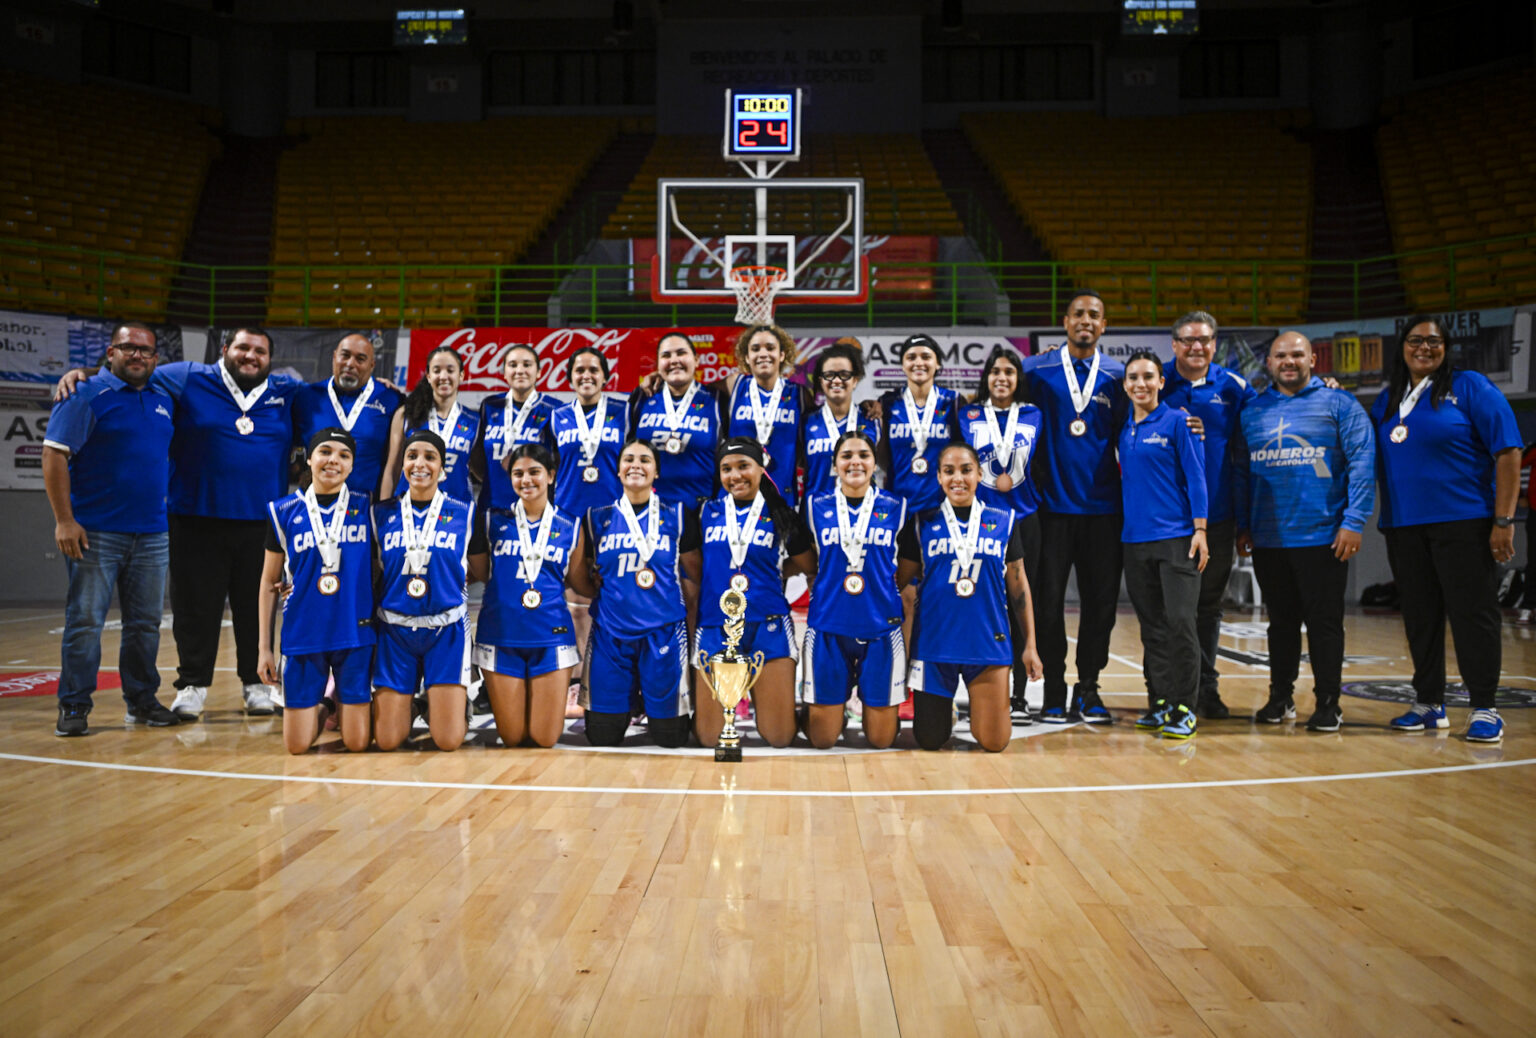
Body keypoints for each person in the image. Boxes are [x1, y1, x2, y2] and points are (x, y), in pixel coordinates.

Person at [1372, 317, 1521, 743]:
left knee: (1472, 614)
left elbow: (1509, 452)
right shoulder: (1388, 398)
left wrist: (1503, 520)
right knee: (1420, 617)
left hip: (1464, 522)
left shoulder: (1470, 386)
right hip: (1403, 525)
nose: (1424, 348)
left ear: (1446, 347)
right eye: (1415, 340)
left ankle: (1485, 707)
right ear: (1401, 347)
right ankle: (1429, 703)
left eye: (1433, 341)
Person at [42, 321, 180, 736]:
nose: (137, 356)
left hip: (153, 533)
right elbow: (53, 456)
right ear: (111, 352)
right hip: (96, 533)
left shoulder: (162, 397)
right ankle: (74, 706)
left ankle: (141, 701)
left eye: (146, 351)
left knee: (145, 625)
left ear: (156, 359)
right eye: (129, 348)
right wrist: (64, 520)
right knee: (85, 623)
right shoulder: (83, 394)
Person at [1235, 331, 1375, 732]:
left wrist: (1353, 521)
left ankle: (1329, 703)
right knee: (1280, 624)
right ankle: (1281, 697)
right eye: (1281, 355)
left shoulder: (1340, 404)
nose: (1289, 361)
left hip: (1323, 537)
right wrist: (1244, 524)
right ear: (1269, 363)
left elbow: (1363, 463)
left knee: (1324, 624)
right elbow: (1242, 472)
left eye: (1297, 354)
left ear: (1313, 359)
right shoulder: (1252, 411)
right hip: (1269, 539)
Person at [1020, 293, 1127, 725]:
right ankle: (1052, 690)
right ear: (1065, 322)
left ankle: (1089, 688)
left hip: (1104, 511)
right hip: (1051, 510)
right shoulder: (1035, 370)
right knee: (1046, 605)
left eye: (1095, 316)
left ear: (1104, 326)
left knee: (1100, 605)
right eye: (1079, 314)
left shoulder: (1120, 376)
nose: (1086, 321)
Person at [897, 443, 1043, 752]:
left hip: (987, 645)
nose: (958, 479)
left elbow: (1018, 587)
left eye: (966, 470)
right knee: (931, 740)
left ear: (979, 474)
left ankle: (980, 705)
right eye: (949, 471)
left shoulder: (1004, 520)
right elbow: (902, 588)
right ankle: (945, 706)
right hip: (934, 648)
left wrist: (1030, 646)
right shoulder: (922, 523)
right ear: (938, 477)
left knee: (994, 741)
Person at [681, 438, 816, 749]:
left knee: (780, 737)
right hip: (716, 626)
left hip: (767, 625)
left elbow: (808, 565)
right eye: (726, 469)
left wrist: (773, 578)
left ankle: (817, 710)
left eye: (743, 466)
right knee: (709, 738)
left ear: (760, 468)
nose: (735, 476)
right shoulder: (704, 513)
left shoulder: (782, 516)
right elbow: (695, 567)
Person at [1158, 311, 1256, 720]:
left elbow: (1248, 451)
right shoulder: (1156, 381)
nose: (1196, 347)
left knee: (1208, 608)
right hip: (1164, 519)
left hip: (1216, 518)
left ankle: (1205, 689)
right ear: (1174, 344)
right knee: (1168, 611)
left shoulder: (1234, 388)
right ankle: (1164, 692)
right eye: (1187, 340)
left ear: (1215, 345)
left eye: (1204, 340)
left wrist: (1244, 521)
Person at [566, 440, 694, 748]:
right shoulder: (596, 517)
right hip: (611, 634)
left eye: (645, 460)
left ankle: (643, 696)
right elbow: (578, 576)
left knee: (671, 738)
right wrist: (600, 595)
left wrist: (690, 630)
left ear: (656, 472)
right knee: (602, 738)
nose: (636, 465)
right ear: (618, 469)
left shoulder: (677, 514)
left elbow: (694, 576)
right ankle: (629, 699)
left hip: (663, 633)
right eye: (629, 459)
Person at [257, 429, 375, 755]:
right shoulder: (283, 512)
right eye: (325, 451)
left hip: (354, 635)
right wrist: (264, 649)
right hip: (303, 635)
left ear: (352, 465)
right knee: (297, 747)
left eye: (343, 455)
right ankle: (327, 704)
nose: (333, 460)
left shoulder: (368, 507)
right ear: (309, 458)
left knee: (356, 743)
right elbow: (269, 583)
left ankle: (341, 703)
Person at [1119, 351, 1210, 740]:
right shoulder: (1124, 430)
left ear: (1161, 382)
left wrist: (1201, 529)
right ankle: (1159, 702)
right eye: (1133, 377)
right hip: (1134, 541)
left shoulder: (1178, 421)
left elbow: (1197, 477)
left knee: (1181, 623)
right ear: (1125, 385)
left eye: (1148, 377)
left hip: (1176, 539)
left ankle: (1186, 706)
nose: (1140, 383)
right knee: (1152, 627)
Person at [468, 443, 582, 749]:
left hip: (552, 636)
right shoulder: (492, 520)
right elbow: (479, 572)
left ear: (551, 476)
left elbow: (580, 582)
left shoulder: (571, 525)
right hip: (501, 634)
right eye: (518, 473)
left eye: (535, 472)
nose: (526, 480)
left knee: (545, 739)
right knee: (513, 737)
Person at [953, 346, 1043, 722]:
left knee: (1021, 604)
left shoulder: (1035, 414)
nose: (1001, 378)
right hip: (981, 521)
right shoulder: (967, 415)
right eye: (995, 372)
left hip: (1025, 517)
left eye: (1009, 371)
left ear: (1018, 377)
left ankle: (1019, 694)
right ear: (985, 378)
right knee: (985, 605)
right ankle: (981, 687)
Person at [800, 431, 907, 749]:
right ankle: (831, 708)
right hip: (829, 627)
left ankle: (878, 707)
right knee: (822, 740)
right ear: (834, 465)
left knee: (881, 740)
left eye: (863, 455)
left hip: (881, 629)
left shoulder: (897, 507)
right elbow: (805, 561)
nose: (855, 461)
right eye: (846, 456)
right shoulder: (814, 507)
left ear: (875, 464)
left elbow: (910, 566)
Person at [371, 431, 473, 752]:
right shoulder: (381, 514)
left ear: (442, 468)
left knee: (448, 740)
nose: (420, 463)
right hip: (394, 631)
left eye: (430, 457)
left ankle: (450, 706)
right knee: (388, 741)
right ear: (402, 463)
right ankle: (411, 704)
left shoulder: (465, 514)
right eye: (412, 455)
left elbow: (483, 570)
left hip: (446, 631)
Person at [292, 332, 403, 499]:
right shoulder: (306, 397)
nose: (350, 364)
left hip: (367, 511)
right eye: (345, 355)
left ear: (372, 365)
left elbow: (395, 463)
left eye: (360, 359)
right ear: (334, 357)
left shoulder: (391, 399)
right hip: (315, 508)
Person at [629, 331, 727, 512]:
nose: (674, 360)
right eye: (666, 355)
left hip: (701, 511)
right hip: (648, 510)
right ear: (658, 365)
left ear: (696, 360)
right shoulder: (641, 399)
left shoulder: (717, 401)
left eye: (681, 353)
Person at [726, 324, 811, 507]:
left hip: (783, 495)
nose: (763, 354)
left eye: (770, 348)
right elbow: (694, 390)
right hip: (738, 494)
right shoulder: (734, 385)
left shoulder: (799, 394)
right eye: (755, 349)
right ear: (747, 357)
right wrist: (657, 377)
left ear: (782, 355)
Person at [384, 343, 479, 504]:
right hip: (408, 506)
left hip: (455, 509)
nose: (443, 376)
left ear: (461, 375)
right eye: (436, 370)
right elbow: (392, 468)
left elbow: (481, 470)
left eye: (450, 370)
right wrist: (383, 509)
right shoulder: (406, 414)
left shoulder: (474, 420)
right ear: (428, 376)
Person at [876, 333, 959, 515]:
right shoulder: (887, 403)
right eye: (911, 357)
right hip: (898, 507)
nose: (918, 362)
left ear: (937, 364)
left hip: (942, 507)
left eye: (926, 357)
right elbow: (882, 457)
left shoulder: (953, 403)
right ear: (903, 366)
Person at [473, 342, 557, 517]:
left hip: (535, 509)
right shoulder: (490, 406)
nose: (520, 370)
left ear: (539, 372)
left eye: (527, 365)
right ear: (504, 373)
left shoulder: (554, 409)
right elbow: (477, 455)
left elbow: (560, 460)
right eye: (512, 365)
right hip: (491, 505)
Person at [801, 338, 880, 501]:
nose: (836, 381)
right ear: (820, 380)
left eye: (844, 375)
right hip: (815, 516)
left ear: (855, 379)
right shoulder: (806, 423)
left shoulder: (873, 419)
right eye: (829, 375)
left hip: (863, 516)